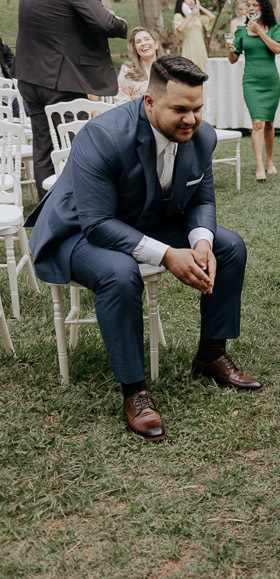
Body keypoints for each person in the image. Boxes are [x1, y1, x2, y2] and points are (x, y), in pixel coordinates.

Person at [25, 56, 263, 442]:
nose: (191, 119)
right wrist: (167, 254)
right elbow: (97, 223)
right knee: (119, 272)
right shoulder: (103, 136)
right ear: (149, 102)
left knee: (229, 246)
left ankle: (210, 355)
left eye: (197, 108)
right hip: (77, 230)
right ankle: (135, 390)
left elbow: (202, 199)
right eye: (180, 109)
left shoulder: (201, 137)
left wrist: (201, 242)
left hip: (146, 218)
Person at [16, 0, 127, 199]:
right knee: (76, 146)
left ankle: (47, 208)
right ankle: (78, 206)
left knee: (43, 148)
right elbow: (105, 22)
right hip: (61, 79)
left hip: (30, 75)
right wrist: (122, 23)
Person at [227, 0, 280, 182]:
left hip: (271, 83)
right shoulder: (241, 31)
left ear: (263, 8)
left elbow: (277, 48)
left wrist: (260, 32)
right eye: (248, 5)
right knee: (257, 123)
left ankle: (269, 160)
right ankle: (259, 165)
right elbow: (233, 59)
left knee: (269, 124)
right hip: (251, 82)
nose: (250, 8)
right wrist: (230, 50)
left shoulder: (274, 28)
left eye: (254, 5)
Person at [114, 28, 163, 105]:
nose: (143, 43)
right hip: (135, 112)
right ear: (135, 49)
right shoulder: (127, 70)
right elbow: (120, 100)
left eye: (146, 39)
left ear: (156, 44)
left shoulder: (168, 69)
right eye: (138, 42)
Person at [174, 0, 216, 72]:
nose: (191, 1)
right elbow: (180, 29)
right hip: (188, 46)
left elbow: (212, 17)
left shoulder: (198, 17)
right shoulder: (179, 16)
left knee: (203, 69)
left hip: (200, 46)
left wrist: (200, 6)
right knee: (189, 70)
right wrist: (191, 15)